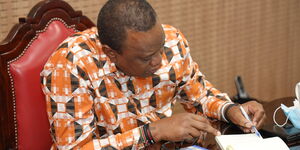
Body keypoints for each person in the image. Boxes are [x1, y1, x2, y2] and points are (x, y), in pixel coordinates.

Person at [40, 0, 266, 149]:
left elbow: (200, 95)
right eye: (147, 57)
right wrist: (153, 132)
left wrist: (231, 110)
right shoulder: (70, 65)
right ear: (111, 53)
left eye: (161, 48)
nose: (159, 60)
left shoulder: (172, 40)